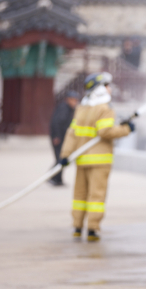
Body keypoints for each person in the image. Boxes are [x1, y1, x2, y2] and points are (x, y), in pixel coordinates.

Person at [60, 72, 134, 242]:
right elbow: (105, 132)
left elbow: (72, 133)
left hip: (82, 160)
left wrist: (65, 155)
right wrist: (126, 129)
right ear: (101, 88)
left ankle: (77, 227)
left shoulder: (81, 108)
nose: (109, 89)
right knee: (96, 196)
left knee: (79, 195)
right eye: (107, 86)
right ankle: (93, 229)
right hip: (100, 160)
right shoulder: (104, 109)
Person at [48, 91, 79, 186]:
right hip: (58, 138)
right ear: (67, 99)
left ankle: (58, 179)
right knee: (59, 159)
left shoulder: (71, 109)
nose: (74, 102)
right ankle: (52, 177)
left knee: (62, 158)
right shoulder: (63, 108)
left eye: (76, 100)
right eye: (73, 100)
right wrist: (56, 136)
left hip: (64, 138)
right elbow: (56, 123)